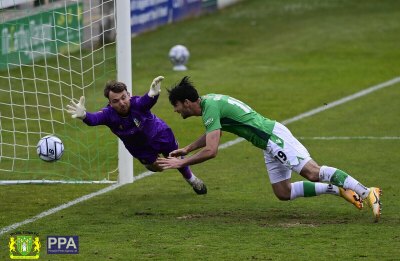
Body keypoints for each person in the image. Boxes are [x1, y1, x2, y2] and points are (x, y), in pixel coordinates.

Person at [156, 76, 382, 222]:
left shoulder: (210, 108)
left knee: (312, 172)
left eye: (175, 106)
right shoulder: (210, 104)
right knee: (283, 192)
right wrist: (187, 148)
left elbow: (212, 150)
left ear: (186, 102)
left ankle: (365, 191)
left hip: (272, 138)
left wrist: (181, 163)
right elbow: (214, 133)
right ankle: (338, 189)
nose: (176, 111)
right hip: (267, 143)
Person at [66, 76, 207, 195]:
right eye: (116, 101)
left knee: (175, 158)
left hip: (160, 134)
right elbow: (93, 119)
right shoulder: (109, 115)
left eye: (123, 97)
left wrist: (153, 94)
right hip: (139, 148)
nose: (121, 103)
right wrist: (83, 115)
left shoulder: (137, 104)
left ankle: (193, 180)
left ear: (129, 95)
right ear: (109, 103)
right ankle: (151, 163)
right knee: (158, 167)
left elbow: (147, 100)